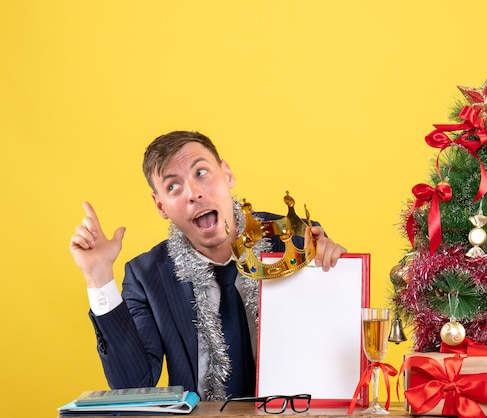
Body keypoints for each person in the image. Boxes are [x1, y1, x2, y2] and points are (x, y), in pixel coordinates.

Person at [69, 131, 346, 401]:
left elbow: (335, 351)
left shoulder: (294, 243)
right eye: (173, 187)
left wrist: (334, 271)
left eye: (201, 173)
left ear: (227, 175)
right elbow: (131, 386)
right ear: (160, 206)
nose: (193, 194)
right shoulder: (146, 276)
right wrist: (99, 277)